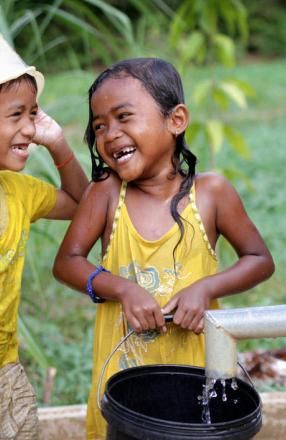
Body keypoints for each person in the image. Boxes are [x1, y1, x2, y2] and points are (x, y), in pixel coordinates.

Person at [53, 57, 275, 439]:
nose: (110, 134)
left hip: (198, 380)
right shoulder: (105, 195)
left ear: (176, 120)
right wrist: (121, 288)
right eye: (100, 126)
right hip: (123, 387)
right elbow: (66, 263)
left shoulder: (212, 193)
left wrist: (207, 288)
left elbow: (259, 260)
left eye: (124, 117)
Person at [0, 34, 88, 439]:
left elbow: (81, 203)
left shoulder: (19, 193)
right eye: (15, 114)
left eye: (33, 114)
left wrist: (58, 145)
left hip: (5, 370)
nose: (29, 127)